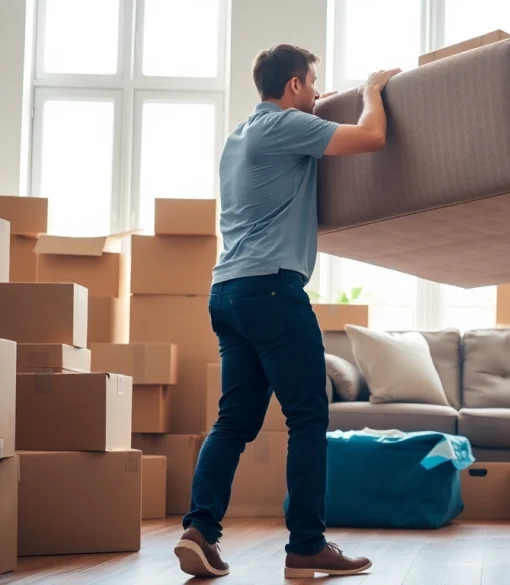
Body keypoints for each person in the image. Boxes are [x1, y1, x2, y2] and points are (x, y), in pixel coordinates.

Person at [172, 44, 400, 579]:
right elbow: (373, 137)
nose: (319, 93)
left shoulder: (239, 137)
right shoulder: (283, 127)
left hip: (226, 292)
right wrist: (370, 91)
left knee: (234, 422)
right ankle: (306, 545)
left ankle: (199, 530)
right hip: (272, 289)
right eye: (314, 83)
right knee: (308, 416)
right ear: (294, 86)